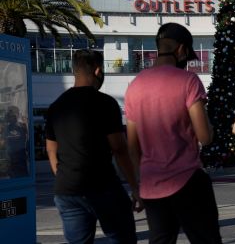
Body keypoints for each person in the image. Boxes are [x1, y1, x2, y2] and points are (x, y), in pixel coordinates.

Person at [125, 23, 222, 244]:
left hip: (151, 186)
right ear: (181, 50)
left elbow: (132, 146)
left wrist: (137, 185)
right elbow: (204, 137)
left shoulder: (135, 86)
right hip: (187, 179)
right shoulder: (188, 81)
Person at [45, 49, 141, 244]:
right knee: (123, 238)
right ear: (98, 71)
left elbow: (51, 150)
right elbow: (119, 149)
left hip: (66, 191)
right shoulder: (105, 103)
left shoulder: (55, 106)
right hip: (103, 187)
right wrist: (135, 187)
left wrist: (64, 177)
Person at [4, 106, 28, 178]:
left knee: (22, 176)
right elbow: (3, 142)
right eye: (10, 116)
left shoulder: (22, 126)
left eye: (13, 115)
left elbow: (26, 138)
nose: (12, 117)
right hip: (11, 159)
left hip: (21, 158)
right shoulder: (6, 128)